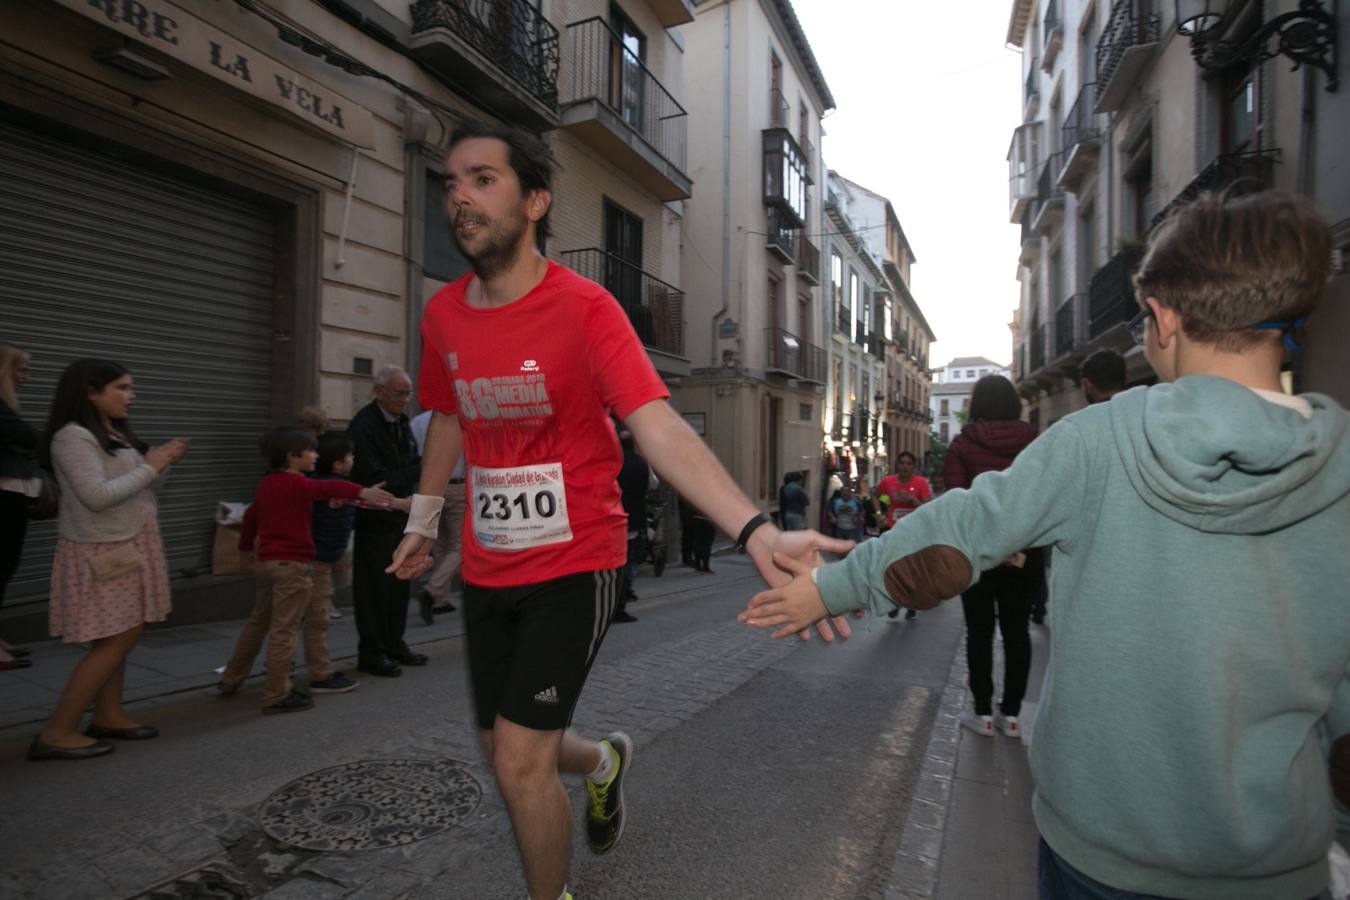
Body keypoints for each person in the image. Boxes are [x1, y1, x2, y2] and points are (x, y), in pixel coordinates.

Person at [741, 191, 1349, 900]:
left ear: (1165, 318)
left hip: (1102, 849)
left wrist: (829, 587)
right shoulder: (1339, 466)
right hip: (1279, 858)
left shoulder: (1099, 442)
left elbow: (965, 528)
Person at [385, 119, 852, 900]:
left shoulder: (587, 309)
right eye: (451, 182)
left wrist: (754, 526)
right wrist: (422, 520)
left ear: (535, 201)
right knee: (496, 739)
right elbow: (451, 417)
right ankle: (602, 760)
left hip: (578, 560)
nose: (458, 196)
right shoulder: (443, 317)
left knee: (517, 761)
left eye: (482, 179)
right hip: (493, 559)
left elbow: (659, 425)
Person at [28, 359, 189, 760]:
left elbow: (140, 491)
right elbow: (96, 496)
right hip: (104, 547)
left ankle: (109, 714)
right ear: (90, 391)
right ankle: (58, 729)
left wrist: (160, 465)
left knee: (116, 636)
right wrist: (151, 467)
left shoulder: (109, 433)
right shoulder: (72, 437)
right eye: (122, 387)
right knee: (119, 637)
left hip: (127, 542)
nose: (131, 396)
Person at [221, 428, 392, 713]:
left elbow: (251, 516)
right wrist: (363, 491)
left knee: (257, 623)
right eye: (310, 451)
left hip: (266, 564)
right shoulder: (297, 483)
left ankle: (231, 678)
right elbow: (328, 488)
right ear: (292, 457)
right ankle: (277, 694)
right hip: (292, 566)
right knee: (284, 631)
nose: (316, 456)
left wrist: (245, 545)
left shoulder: (266, 484)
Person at [939, 375, 1038, 735]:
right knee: (1017, 633)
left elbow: (956, 502)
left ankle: (982, 713)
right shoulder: (1035, 441)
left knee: (979, 632)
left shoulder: (962, 444)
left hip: (978, 552)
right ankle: (1011, 716)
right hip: (1025, 551)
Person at [348, 365, 424, 677]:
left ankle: (395, 643)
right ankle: (372, 651)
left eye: (408, 393)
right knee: (374, 587)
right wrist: (419, 470)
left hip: (401, 515)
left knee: (400, 583)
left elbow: (409, 465)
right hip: (376, 520)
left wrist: (416, 471)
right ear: (378, 392)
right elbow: (374, 479)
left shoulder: (401, 423)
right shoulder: (364, 426)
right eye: (399, 393)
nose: (405, 399)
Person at [0, 344, 39, 670]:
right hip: (4, 493)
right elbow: (28, 437)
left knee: (5, 565)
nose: (25, 378)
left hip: (12, 492)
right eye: (20, 370)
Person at [411, 407, 463, 621]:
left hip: (428, 486)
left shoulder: (417, 422)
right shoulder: (461, 418)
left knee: (440, 543)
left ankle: (440, 599)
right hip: (458, 485)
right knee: (461, 545)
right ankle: (433, 590)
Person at [876, 452, 933, 620]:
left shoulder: (921, 483)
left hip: (914, 532)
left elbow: (928, 508)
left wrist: (913, 500)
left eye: (909, 463)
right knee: (893, 569)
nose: (905, 466)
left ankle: (911, 603)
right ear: (897, 465)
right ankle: (894, 602)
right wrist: (879, 514)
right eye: (902, 463)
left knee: (912, 570)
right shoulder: (888, 482)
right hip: (893, 529)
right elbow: (875, 495)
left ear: (914, 467)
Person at [614, 423, 653, 623]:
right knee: (628, 559)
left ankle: (615, 599)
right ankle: (623, 596)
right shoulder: (640, 462)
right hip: (634, 518)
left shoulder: (611, 461)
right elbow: (652, 484)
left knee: (614, 562)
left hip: (611, 517)